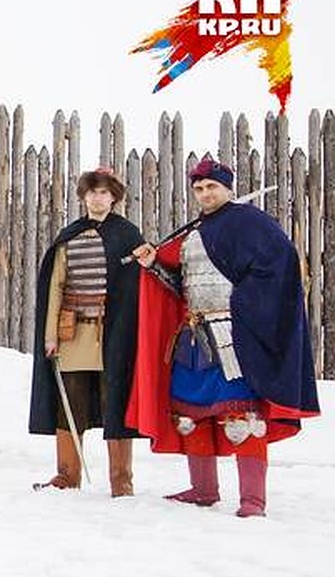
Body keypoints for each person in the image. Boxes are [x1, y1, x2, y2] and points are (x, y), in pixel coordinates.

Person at [128, 157, 320, 517]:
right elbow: (181, 287)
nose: (204, 193)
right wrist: (154, 263)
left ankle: (252, 501)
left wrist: (246, 307)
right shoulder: (193, 234)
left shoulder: (252, 224)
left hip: (236, 338)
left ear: (227, 188)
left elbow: (279, 267)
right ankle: (203, 490)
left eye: (211, 187)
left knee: (243, 417)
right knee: (190, 414)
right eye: (198, 189)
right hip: (193, 337)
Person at [28, 168, 145, 496]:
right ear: (83, 197)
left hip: (114, 335)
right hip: (74, 334)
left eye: (104, 192)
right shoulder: (70, 236)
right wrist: (50, 335)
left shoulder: (127, 235)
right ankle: (67, 474)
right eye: (91, 192)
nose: (97, 198)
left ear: (114, 197)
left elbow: (140, 285)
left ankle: (121, 481)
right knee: (70, 404)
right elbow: (56, 286)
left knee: (116, 404)